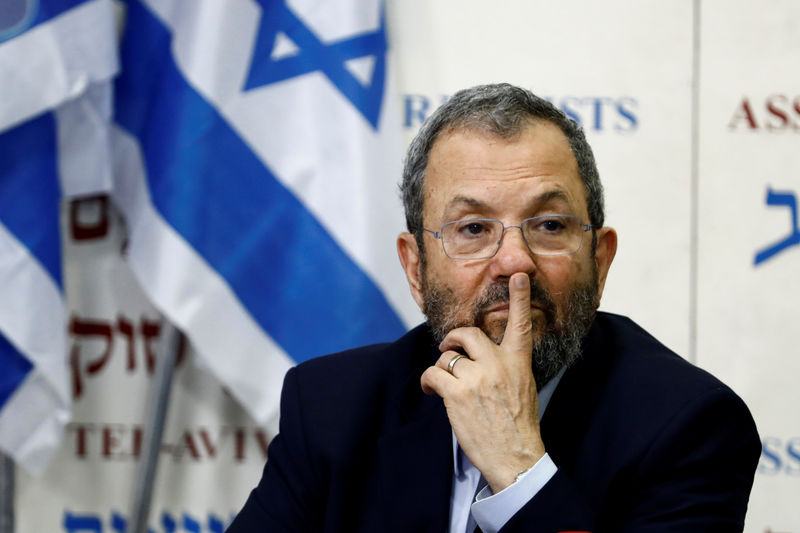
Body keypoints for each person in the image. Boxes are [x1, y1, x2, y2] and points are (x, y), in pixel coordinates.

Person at [227, 83, 760, 532]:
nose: (514, 263)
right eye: (474, 229)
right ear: (416, 268)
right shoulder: (333, 407)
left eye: (549, 226)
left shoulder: (689, 426)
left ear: (599, 259)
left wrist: (517, 463)